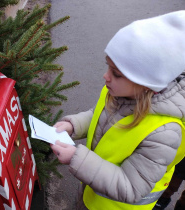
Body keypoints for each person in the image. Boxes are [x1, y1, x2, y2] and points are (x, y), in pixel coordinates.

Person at [50, 11, 185, 210]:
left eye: (116, 73)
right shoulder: (117, 92)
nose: (105, 76)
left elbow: (131, 186)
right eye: (108, 67)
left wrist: (76, 158)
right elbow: (100, 118)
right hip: (91, 193)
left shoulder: (165, 133)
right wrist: (73, 125)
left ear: (146, 83)